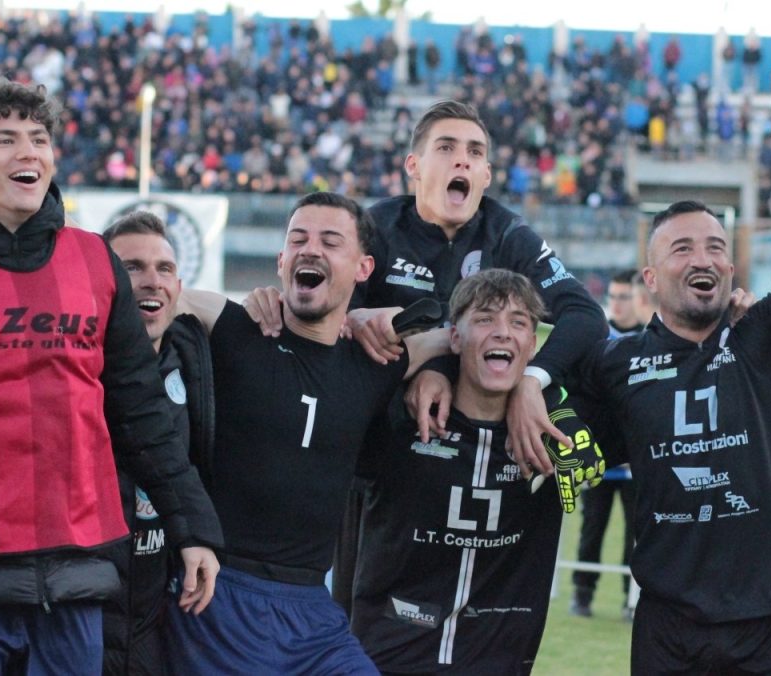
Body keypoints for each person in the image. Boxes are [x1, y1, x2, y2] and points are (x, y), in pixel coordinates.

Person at [245, 100, 609, 613]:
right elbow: (326, 325)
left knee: (473, 618)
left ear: (486, 175)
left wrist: (533, 381)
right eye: (446, 148)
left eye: (475, 153)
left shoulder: (508, 235)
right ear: (413, 166)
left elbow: (586, 316)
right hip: (378, 464)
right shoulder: (375, 229)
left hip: (472, 465)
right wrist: (286, 306)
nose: (462, 160)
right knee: (359, 616)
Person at [574, 69, 771, 673]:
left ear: (730, 270)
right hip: (668, 627)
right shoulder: (616, 364)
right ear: (650, 279)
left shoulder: (768, 335)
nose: (702, 257)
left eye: (715, 247)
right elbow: (565, 451)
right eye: (681, 248)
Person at [0, 77, 221, 673]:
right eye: (5, 140)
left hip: (75, 580)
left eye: (39, 139)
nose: (29, 152)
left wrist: (193, 528)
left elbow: (141, 411)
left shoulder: (94, 260)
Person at [162, 191, 453, 674]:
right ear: (281, 261)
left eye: (330, 242)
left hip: (313, 613)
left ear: (363, 269)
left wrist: (433, 367)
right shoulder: (232, 328)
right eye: (297, 240)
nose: (310, 249)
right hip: (217, 594)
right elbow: (153, 290)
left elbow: (465, 337)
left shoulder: (374, 360)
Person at [350, 268, 604, 673]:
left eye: (518, 323)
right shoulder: (398, 417)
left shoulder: (557, 433)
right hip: (385, 659)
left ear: (533, 345)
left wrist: (548, 393)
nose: (502, 333)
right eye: (485, 319)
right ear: (454, 338)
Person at [102, 212, 217, 675]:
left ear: (179, 287)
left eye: (164, 269)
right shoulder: (71, 369)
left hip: (154, 619)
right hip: (83, 612)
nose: (152, 281)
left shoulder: (194, 359)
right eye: (132, 267)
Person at [570, 269, 641, 618]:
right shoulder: (597, 337)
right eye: (612, 297)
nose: (617, 304)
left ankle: (632, 598)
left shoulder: (650, 339)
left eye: (624, 297)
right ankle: (582, 594)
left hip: (637, 459)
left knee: (636, 531)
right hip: (598, 458)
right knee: (592, 526)